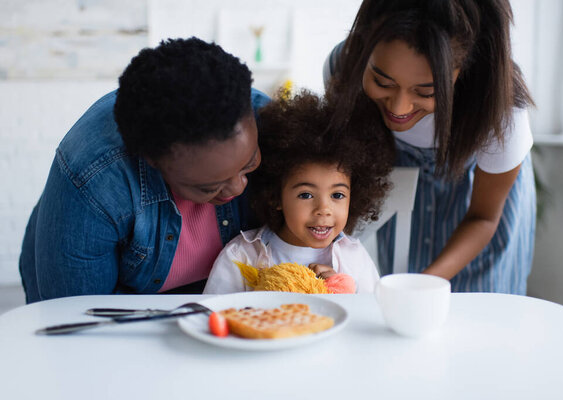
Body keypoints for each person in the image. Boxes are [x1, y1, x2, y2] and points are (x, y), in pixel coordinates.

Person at [19, 37, 270, 303]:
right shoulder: (94, 178)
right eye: (209, 186)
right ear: (152, 159)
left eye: (249, 163)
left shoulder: (270, 123)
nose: (238, 187)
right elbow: (78, 317)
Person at [323, 0, 536, 294]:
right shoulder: (343, 69)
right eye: (382, 82)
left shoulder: (499, 109)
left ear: (463, 68)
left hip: (479, 217)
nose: (399, 108)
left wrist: (422, 284)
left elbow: (484, 218)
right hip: (401, 192)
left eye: (426, 92)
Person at [204, 91, 394, 294]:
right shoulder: (242, 255)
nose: (323, 209)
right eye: (306, 195)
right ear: (276, 196)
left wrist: (343, 295)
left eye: (337, 195)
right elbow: (213, 313)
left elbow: (371, 317)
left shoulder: (353, 257)